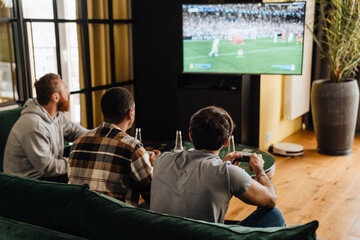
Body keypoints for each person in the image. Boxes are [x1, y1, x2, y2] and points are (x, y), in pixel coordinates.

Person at [150, 106, 285, 227]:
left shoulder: (162, 159)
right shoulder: (227, 172)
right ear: (226, 141)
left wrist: (220, 163)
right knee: (274, 215)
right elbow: (271, 200)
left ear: (190, 136)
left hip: (161, 235)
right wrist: (259, 170)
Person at [68, 87, 159, 207]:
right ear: (130, 113)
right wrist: (153, 166)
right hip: (114, 222)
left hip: (79, 218)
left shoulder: (78, 142)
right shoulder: (132, 147)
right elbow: (152, 194)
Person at [3, 73, 88, 183]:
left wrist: (100, 135)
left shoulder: (56, 115)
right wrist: (79, 162)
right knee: (84, 176)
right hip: (28, 183)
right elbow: (48, 168)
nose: (69, 93)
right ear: (55, 97)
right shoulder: (34, 125)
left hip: (45, 172)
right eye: (65, 89)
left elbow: (75, 131)